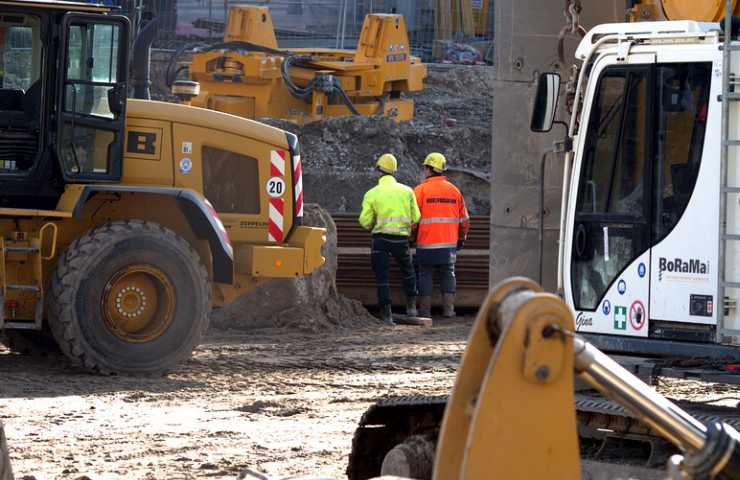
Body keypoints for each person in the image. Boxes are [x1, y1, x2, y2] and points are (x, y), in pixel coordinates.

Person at [359, 153, 421, 325]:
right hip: (401, 241)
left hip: (381, 240)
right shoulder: (407, 191)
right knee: (408, 273)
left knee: (382, 276)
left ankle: (387, 314)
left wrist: (373, 224)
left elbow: (364, 221)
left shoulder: (372, 193)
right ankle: (411, 308)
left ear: (379, 171)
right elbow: (416, 217)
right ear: (394, 171)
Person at [414, 152, 469, 318]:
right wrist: (461, 238)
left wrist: (411, 236)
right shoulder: (454, 191)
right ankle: (449, 309)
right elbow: (464, 220)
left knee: (425, 274)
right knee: (448, 273)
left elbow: (413, 219)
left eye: (425, 167)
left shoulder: (420, 190)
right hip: (448, 245)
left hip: (426, 244)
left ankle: (424, 311)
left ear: (430, 169)